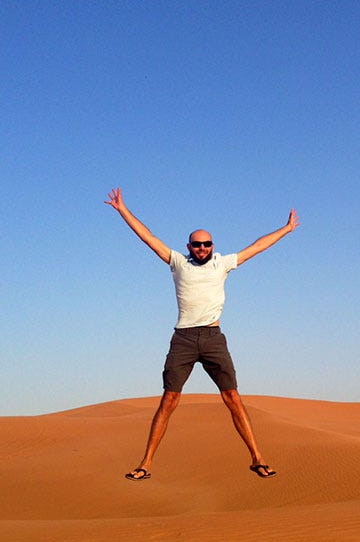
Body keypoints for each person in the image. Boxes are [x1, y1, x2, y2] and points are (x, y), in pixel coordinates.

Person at [104, 187, 300, 481]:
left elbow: (257, 247)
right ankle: (145, 463)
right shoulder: (177, 262)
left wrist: (285, 229)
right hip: (182, 338)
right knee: (169, 400)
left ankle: (258, 458)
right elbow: (148, 238)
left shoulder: (223, 263)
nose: (202, 249)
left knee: (232, 396)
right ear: (189, 246)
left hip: (212, 337)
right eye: (197, 245)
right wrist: (122, 210)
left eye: (207, 244)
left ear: (212, 245)